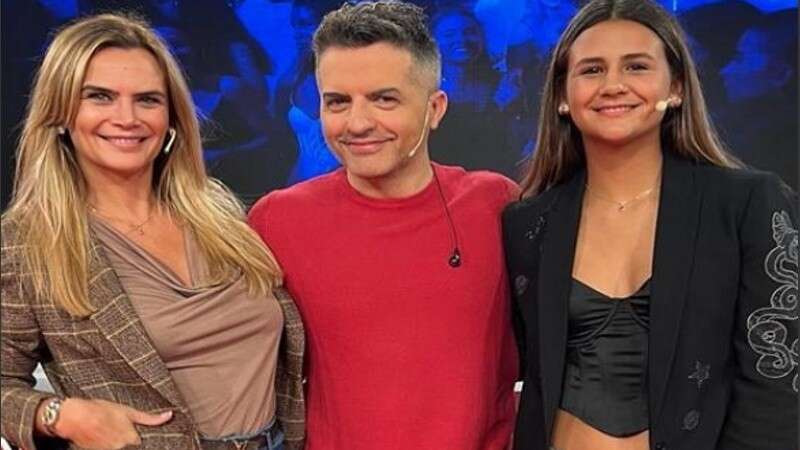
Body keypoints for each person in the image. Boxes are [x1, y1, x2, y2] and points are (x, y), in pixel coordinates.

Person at [502, 1, 798, 449]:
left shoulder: (746, 205)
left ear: (675, 87)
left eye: (636, 66)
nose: (613, 85)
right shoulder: (526, 224)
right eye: (592, 70)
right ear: (562, 96)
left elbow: (777, 387)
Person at [0, 14, 304, 450]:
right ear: (61, 113)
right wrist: (59, 415)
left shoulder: (218, 213)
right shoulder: (27, 242)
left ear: (171, 117)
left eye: (147, 100)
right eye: (100, 97)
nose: (127, 118)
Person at [248, 2, 519, 449]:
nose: (357, 123)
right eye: (337, 102)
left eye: (384, 99)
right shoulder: (276, 220)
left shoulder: (495, 204)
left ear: (435, 109)